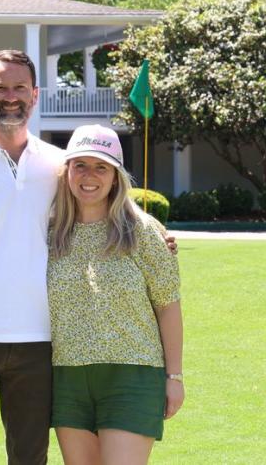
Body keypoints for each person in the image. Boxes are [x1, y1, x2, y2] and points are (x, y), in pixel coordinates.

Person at [0, 49, 177, 465]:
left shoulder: (59, 165)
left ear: (35, 94)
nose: (10, 96)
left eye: (20, 87)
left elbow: (104, 204)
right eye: (0, 87)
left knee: (30, 458)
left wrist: (157, 237)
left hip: (41, 344)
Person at [49, 124, 183, 464]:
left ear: (115, 176)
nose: (89, 176)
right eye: (80, 165)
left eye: (101, 167)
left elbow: (168, 305)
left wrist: (175, 376)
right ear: (67, 172)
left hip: (132, 375)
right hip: (68, 376)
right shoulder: (49, 233)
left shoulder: (143, 231)